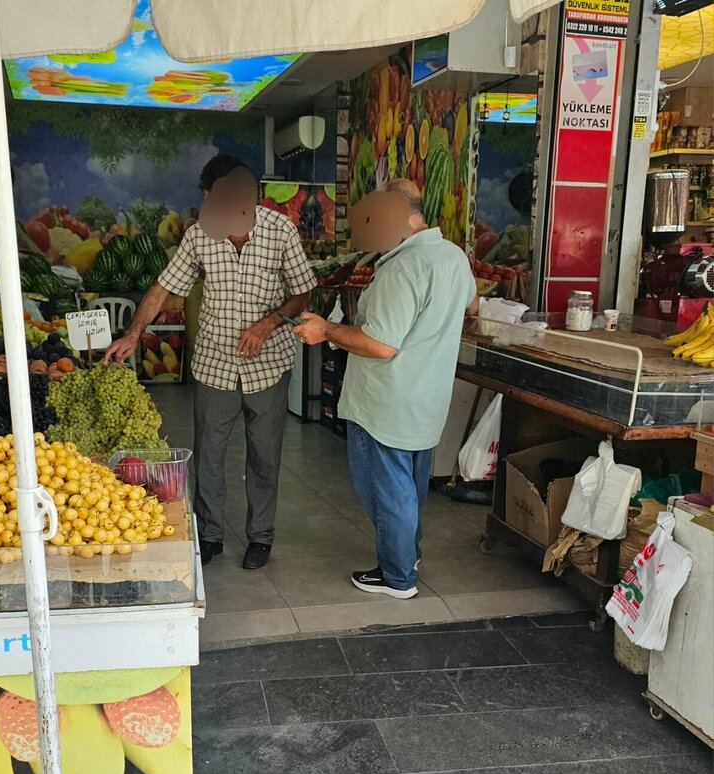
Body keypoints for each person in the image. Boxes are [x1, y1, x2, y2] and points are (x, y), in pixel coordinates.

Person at [105, 154, 316, 570]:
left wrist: (268, 323)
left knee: (264, 455)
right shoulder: (199, 235)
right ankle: (211, 534)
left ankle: (261, 536)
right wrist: (132, 333)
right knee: (209, 454)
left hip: (269, 364)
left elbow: (303, 291)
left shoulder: (280, 230)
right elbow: (163, 287)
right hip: (215, 363)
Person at [294, 178, 479, 599]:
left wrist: (326, 330)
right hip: (427, 399)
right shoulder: (452, 256)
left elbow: (380, 344)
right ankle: (408, 556)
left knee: (388, 493)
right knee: (409, 489)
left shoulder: (403, 267)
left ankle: (397, 576)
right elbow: (472, 305)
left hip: (386, 404)